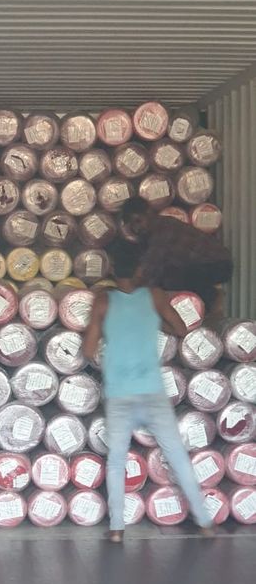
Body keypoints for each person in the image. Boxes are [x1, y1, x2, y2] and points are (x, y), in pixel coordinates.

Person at [82, 240, 214, 542]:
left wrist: (109, 338)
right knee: (177, 456)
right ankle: (205, 522)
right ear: (141, 268)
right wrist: (153, 325)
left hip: (119, 394)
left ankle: (117, 529)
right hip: (152, 393)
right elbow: (181, 328)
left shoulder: (103, 301)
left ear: (113, 269)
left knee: (116, 461)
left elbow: (88, 350)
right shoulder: (154, 296)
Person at [122, 196, 232, 314]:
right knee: (169, 277)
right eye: (132, 225)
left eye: (138, 221)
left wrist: (132, 294)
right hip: (202, 265)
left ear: (149, 213)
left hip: (219, 264)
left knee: (173, 278)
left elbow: (153, 266)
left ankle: (212, 299)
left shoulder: (164, 230)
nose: (137, 228)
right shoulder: (157, 229)